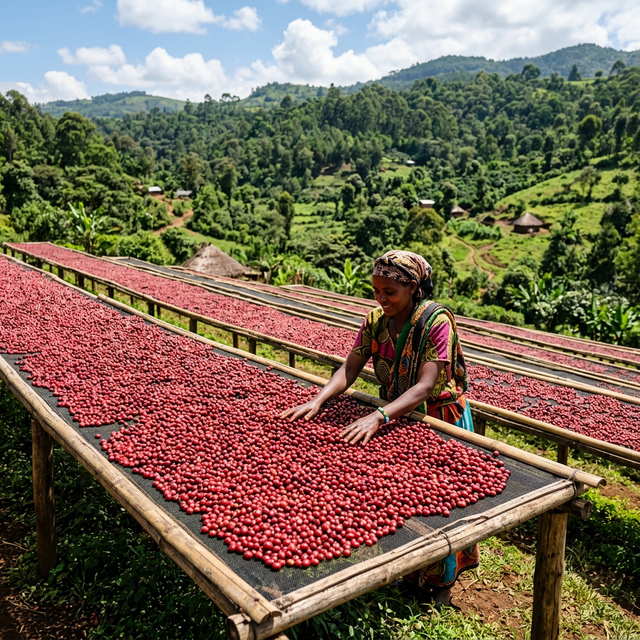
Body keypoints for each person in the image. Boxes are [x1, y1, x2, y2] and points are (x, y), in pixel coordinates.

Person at [280, 249, 478, 608]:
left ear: (414, 288)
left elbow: (425, 385)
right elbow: (349, 368)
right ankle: (410, 572)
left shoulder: (436, 322)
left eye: (390, 292)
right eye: (376, 290)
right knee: (405, 496)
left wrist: (379, 416)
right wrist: (319, 399)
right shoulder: (375, 320)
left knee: (440, 500)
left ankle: (442, 584)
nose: (381, 298)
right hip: (397, 415)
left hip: (439, 417)